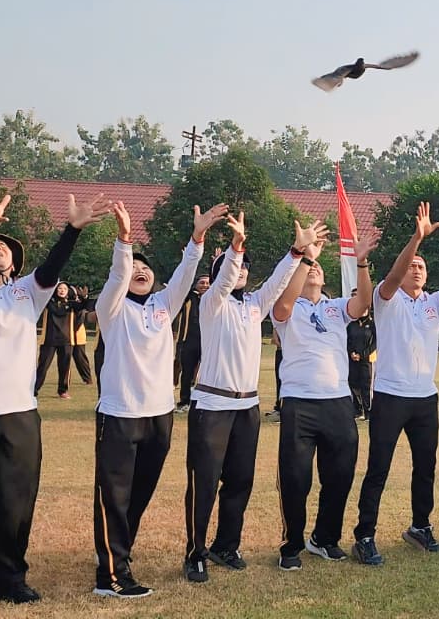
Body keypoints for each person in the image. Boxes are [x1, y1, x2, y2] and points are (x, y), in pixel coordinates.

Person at [94, 201, 225, 598]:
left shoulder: (162, 306)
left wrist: (197, 238)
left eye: (145, 267)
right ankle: (110, 576)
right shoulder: (111, 309)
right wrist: (124, 241)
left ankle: (118, 552)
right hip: (120, 414)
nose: (140, 270)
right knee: (114, 497)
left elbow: (185, 275)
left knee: (140, 492)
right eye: (133, 267)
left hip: (159, 416)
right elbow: (118, 274)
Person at [181, 215, 321, 583]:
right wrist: (235, 247)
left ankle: (226, 545)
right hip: (212, 406)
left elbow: (277, 282)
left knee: (240, 481)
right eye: (236, 265)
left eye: (246, 265)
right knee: (204, 483)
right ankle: (195, 553)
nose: (241, 269)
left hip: (247, 407)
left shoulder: (255, 305)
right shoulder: (212, 303)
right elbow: (226, 278)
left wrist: (298, 252)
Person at [352, 203, 439, 566]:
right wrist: (417, 238)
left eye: (422, 267)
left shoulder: (433, 303)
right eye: (413, 265)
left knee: (426, 467)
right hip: (391, 396)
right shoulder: (386, 297)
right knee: (379, 468)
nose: (417, 269)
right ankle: (365, 535)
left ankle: (420, 526)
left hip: (425, 398)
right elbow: (395, 274)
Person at [0, 192, 111, 604]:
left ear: (15, 263)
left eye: (5, 247)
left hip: (17, 413)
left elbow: (52, 268)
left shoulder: (26, 293)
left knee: (16, 501)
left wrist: (72, 230)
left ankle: (10, 578)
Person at [272, 228, 376, 571]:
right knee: (295, 479)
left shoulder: (335, 308)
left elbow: (363, 302)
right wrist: (305, 257)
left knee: (340, 476)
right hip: (299, 403)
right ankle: (292, 543)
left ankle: (324, 538)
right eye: (308, 267)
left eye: (318, 266)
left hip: (337, 403)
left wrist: (361, 263)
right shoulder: (286, 306)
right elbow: (283, 306)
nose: (314, 268)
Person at [35, 282, 85, 399]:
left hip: (66, 340)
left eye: (64, 289)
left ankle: (63, 391)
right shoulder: (48, 302)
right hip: (49, 340)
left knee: (64, 367)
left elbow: (84, 306)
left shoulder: (72, 304)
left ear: (68, 291)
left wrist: (83, 297)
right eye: (59, 288)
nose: (62, 290)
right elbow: (40, 297)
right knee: (43, 366)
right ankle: (34, 390)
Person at [173, 274, 210, 413]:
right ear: (196, 285)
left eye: (208, 283)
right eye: (202, 283)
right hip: (188, 341)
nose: (205, 286)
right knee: (187, 373)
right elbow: (183, 288)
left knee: (207, 373)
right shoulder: (189, 298)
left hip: (208, 341)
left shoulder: (213, 299)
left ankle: (204, 401)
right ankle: (184, 402)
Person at [346, 301, 376, 421]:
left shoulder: (372, 324)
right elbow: (347, 340)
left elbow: (375, 343)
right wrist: (351, 353)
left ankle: (368, 411)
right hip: (353, 360)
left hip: (367, 360)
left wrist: (363, 355)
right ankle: (358, 411)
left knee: (366, 386)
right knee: (353, 384)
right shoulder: (352, 324)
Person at [68, 286, 95, 386]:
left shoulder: (79, 306)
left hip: (77, 335)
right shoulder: (66, 304)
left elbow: (85, 308)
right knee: (65, 358)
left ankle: (87, 379)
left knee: (80, 358)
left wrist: (85, 297)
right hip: (65, 334)